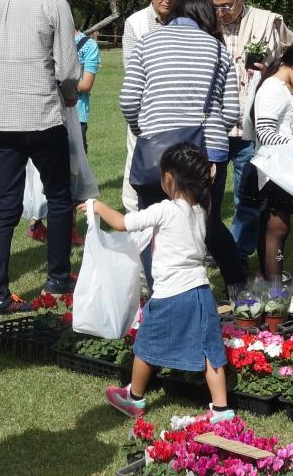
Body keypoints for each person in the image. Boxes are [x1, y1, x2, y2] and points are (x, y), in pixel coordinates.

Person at [88, 143, 234, 422]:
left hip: (170, 293)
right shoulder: (201, 210)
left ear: (170, 178)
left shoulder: (165, 210)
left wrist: (97, 206)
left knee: (146, 345)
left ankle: (134, 398)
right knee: (210, 350)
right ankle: (221, 409)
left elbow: (122, 223)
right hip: (201, 291)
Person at [0, 0, 80, 317]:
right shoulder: (54, 4)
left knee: (6, 204)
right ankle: (57, 277)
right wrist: (69, 95)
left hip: (1, 118)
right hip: (40, 114)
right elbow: (68, 68)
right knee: (59, 196)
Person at [120, 0, 244, 291]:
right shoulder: (217, 50)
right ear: (205, 14)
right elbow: (231, 110)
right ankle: (239, 288)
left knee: (151, 224)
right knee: (207, 221)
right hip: (205, 151)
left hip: (154, 151)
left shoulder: (146, 43)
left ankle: (160, 291)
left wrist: (142, 129)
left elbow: (128, 100)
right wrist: (212, 131)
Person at [204, 0, 293, 268]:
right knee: (209, 194)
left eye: (227, 5)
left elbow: (291, 60)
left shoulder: (267, 22)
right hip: (214, 124)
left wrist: (268, 71)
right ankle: (213, 245)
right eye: (215, 6)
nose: (221, 12)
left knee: (246, 195)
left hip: (251, 125)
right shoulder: (204, 24)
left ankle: (239, 252)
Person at [242, 38, 293, 279]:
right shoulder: (273, 88)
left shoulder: (291, 89)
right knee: (277, 227)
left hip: (283, 168)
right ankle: (275, 286)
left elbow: (292, 124)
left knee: (275, 228)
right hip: (271, 172)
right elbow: (265, 133)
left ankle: (271, 280)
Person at [28, 27, 101, 245]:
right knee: (63, 173)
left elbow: (86, 85)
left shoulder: (86, 45)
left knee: (68, 172)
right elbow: (83, 83)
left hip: (72, 117)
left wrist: (53, 83)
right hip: (52, 116)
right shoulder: (47, 41)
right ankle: (46, 224)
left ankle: (62, 225)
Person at [120, 0, 184, 215]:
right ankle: (134, 215)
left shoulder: (185, 22)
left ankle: (173, 213)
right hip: (145, 107)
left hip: (177, 109)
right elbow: (132, 73)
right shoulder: (136, 23)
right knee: (137, 161)